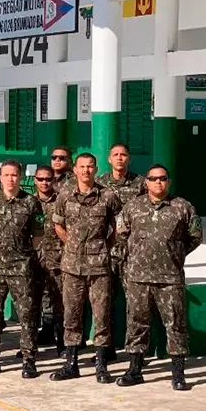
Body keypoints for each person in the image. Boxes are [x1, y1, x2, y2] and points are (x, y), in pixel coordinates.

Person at [115, 164, 202, 390]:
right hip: (138, 277)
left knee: (175, 324)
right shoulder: (133, 207)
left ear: (168, 181)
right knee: (136, 323)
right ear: (146, 182)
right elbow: (121, 234)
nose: (158, 183)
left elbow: (195, 237)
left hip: (169, 277)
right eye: (153, 179)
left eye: (162, 178)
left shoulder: (182, 207)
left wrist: (174, 253)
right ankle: (135, 370)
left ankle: (178, 373)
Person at [50, 153, 122, 383]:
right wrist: (71, 242)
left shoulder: (108, 195)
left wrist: (102, 247)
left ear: (96, 169)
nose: (86, 171)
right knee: (71, 315)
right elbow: (57, 224)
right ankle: (71, 363)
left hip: (99, 266)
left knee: (101, 315)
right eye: (82, 167)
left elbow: (117, 227)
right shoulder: (64, 196)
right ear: (75, 170)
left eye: (90, 166)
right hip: (72, 266)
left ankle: (101, 364)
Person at [0, 160, 44, 378]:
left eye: (14, 175)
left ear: (21, 177)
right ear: (0, 177)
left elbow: (38, 234)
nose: (10, 179)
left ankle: (28, 360)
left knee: (27, 314)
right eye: (6, 175)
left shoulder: (31, 202)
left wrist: (22, 255)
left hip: (22, 268)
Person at [95, 143, 145, 363]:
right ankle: (106, 348)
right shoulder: (101, 184)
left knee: (135, 303)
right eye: (115, 155)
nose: (119, 158)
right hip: (106, 251)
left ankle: (135, 351)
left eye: (123, 154)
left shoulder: (141, 184)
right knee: (105, 301)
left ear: (129, 158)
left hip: (133, 252)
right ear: (109, 159)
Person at [33, 164, 65, 354]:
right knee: (32, 303)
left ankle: (62, 343)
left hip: (57, 258)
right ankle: (31, 345)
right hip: (34, 260)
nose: (44, 182)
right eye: (41, 179)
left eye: (48, 179)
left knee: (60, 302)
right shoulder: (28, 202)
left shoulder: (61, 200)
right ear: (35, 180)